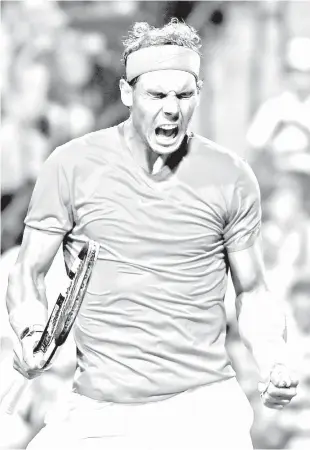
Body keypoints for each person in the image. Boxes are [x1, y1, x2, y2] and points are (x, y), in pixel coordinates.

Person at [6, 19, 298, 449]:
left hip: (204, 409)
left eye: (184, 95)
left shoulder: (231, 176)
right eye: (156, 95)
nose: (172, 109)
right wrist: (32, 331)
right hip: (98, 408)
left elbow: (252, 290)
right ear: (127, 93)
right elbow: (27, 273)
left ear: (199, 93)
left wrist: (273, 357)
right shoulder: (70, 166)